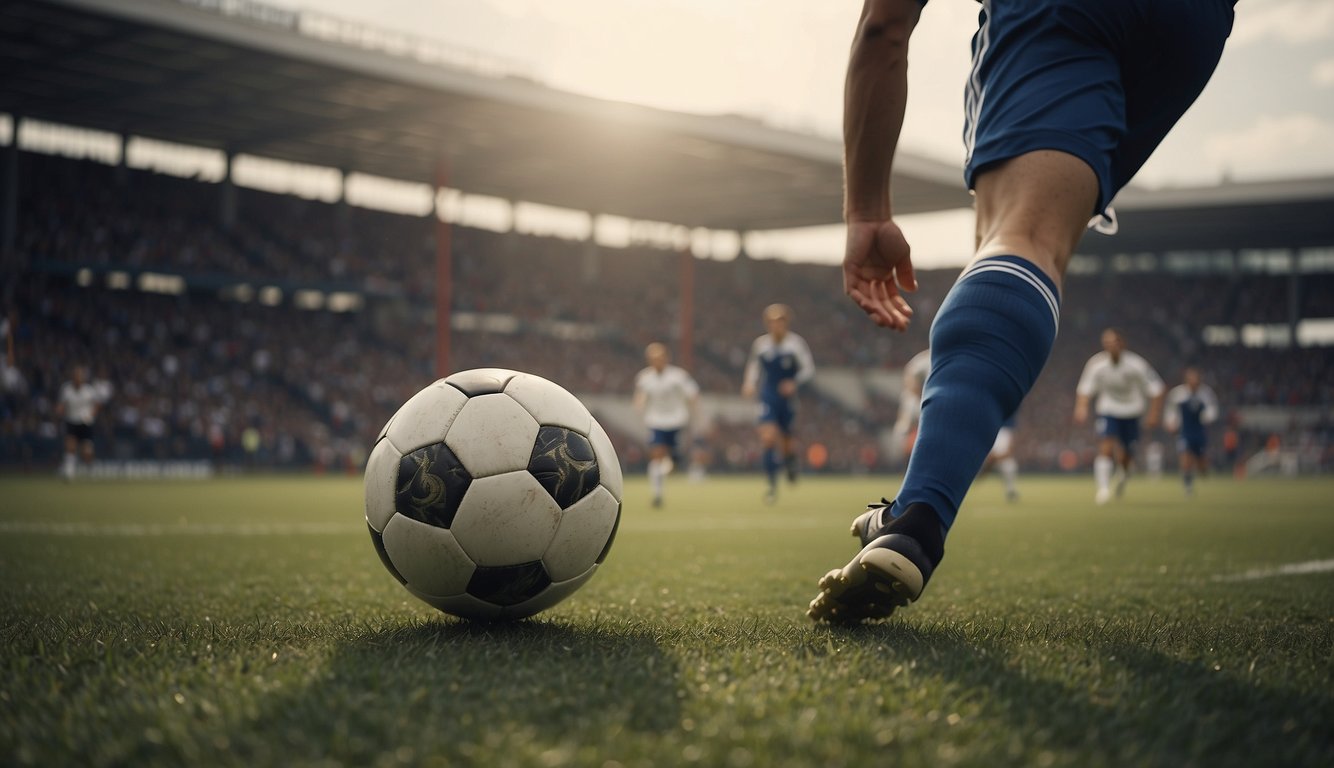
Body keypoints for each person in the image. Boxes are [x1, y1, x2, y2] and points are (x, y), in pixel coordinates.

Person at [810, 0, 1235, 623]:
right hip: (1195, 21)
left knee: (1021, 237)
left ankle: (918, 517)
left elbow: (885, 24)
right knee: (1044, 236)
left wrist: (867, 212)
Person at [1073, 328, 1166, 505]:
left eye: (1114, 343)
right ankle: (1103, 489)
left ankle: (1123, 474)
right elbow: (1085, 389)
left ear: (1122, 344)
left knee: (1126, 455)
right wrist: (1081, 408)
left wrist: (1154, 414)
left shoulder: (1136, 364)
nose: (1110, 347)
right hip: (1108, 410)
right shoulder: (1097, 364)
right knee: (1106, 446)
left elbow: (1157, 389)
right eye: (1107, 344)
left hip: (1132, 411)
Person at [741, 304, 815, 503]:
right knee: (768, 437)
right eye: (772, 322)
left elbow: (808, 369)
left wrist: (794, 382)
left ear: (786, 323)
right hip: (768, 395)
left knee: (787, 443)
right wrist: (749, 384)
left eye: (780, 321)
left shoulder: (795, 344)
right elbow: (753, 366)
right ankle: (772, 486)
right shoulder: (761, 345)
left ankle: (790, 463)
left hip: (787, 398)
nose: (776, 325)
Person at [633, 342, 700, 508]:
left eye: (659, 357)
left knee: (673, 462)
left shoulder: (678, 376)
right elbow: (640, 396)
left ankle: (668, 468)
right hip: (656, 421)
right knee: (657, 454)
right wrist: (639, 405)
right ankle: (657, 495)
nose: (657, 361)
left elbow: (692, 395)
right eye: (653, 358)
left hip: (677, 421)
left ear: (666, 358)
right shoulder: (644, 378)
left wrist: (695, 415)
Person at [1163, 366, 1220, 496]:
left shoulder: (1206, 393)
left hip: (1199, 432)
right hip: (1185, 432)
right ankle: (1188, 487)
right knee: (1185, 458)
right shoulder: (1178, 394)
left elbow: (1212, 410)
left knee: (1202, 465)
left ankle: (1204, 473)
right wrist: (1170, 422)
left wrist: (1207, 417)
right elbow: (1170, 410)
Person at [56, 364, 101, 481]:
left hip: (86, 423)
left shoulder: (89, 390)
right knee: (70, 446)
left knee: (87, 452)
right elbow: (62, 404)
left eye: (80, 375)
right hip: (71, 421)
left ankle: (90, 468)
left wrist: (91, 415)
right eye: (76, 375)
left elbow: (97, 405)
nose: (78, 378)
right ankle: (69, 472)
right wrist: (60, 410)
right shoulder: (66, 389)